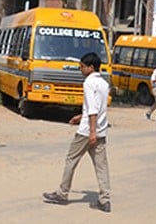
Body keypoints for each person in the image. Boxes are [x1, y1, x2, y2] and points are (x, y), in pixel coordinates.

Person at [42, 52, 111, 212]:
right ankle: (105, 199)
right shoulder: (103, 83)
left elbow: (93, 109)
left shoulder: (89, 83)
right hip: (100, 130)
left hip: (87, 131)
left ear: (91, 67)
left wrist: (91, 131)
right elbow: (99, 108)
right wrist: (81, 116)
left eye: (82, 67)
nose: (81, 69)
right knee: (101, 166)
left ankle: (62, 193)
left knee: (71, 160)